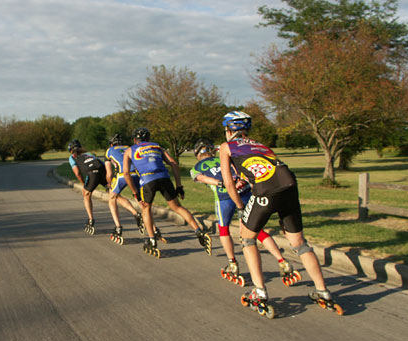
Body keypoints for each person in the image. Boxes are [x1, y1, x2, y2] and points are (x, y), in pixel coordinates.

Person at [218, 111, 341, 314]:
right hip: (289, 186)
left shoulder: (226, 146)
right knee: (300, 244)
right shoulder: (260, 145)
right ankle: (323, 291)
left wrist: (241, 207)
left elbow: (229, 184)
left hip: (267, 191)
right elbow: (264, 169)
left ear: (229, 130)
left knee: (247, 239)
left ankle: (259, 291)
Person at [190, 138, 299, 287]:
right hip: (244, 192)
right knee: (256, 228)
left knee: (224, 229)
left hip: (224, 197)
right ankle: (282, 260)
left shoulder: (196, 167)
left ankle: (232, 263)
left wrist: (220, 183)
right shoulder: (224, 156)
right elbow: (241, 170)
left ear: (197, 153)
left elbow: (201, 178)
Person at [122, 127, 211, 257]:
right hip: (164, 177)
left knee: (146, 208)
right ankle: (199, 231)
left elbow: (125, 172)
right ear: (148, 138)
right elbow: (174, 163)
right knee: (177, 207)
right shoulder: (157, 146)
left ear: (135, 140)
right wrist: (179, 186)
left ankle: (152, 240)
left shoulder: (130, 150)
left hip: (147, 179)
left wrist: (135, 192)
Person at [104, 133, 148, 243]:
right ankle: (153, 228)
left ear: (111, 144)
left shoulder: (109, 151)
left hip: (122, 175)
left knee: (112, 198)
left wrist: (109, 185)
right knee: (140, 200)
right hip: (137, 174)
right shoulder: (129, 148)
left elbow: (109, 174)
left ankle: (118, 227)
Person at [68, 139, 109, 235]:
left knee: (86, 194)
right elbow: (101, 164)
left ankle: (91, 219)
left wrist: (83, 184)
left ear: (71, 150)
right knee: (113, 194)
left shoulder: (72, 157)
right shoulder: (89, 153)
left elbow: (77, 173)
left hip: (92, 175)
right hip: (103, 172)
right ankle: (135, 213)